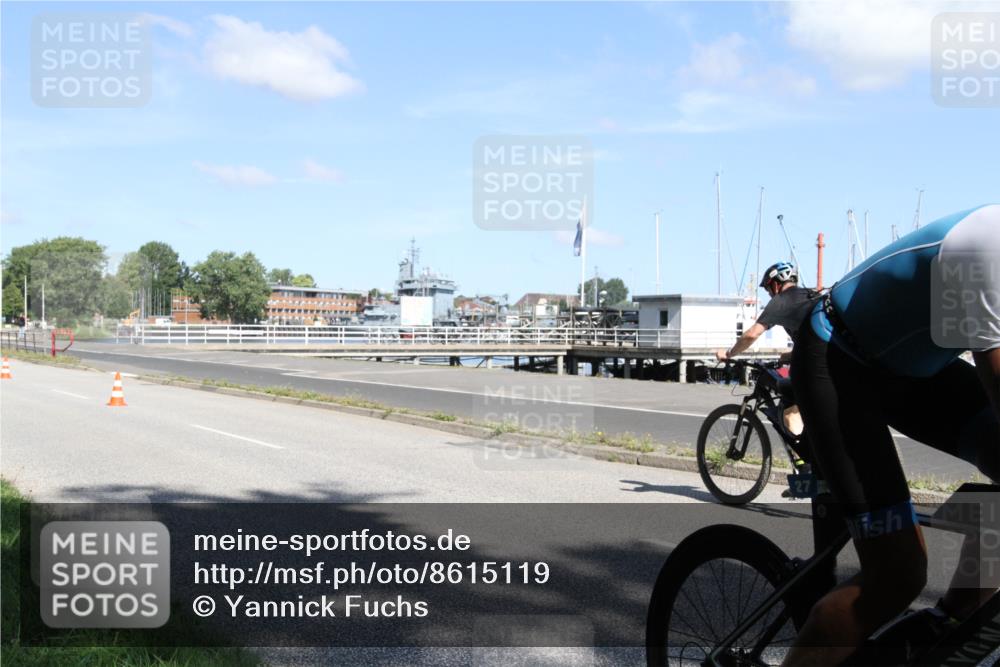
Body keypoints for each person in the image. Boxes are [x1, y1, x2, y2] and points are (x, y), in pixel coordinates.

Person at [782, 204, 1000, 666]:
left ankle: (948, 622)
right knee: (897, 573)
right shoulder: (990, 245)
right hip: (838, 360)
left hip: (914, 370)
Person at [715, 261, 821, 363]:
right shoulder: (812, 295)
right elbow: (812, 336)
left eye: (767, 289)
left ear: (775, 285)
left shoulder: (780, 301)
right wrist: (792, 354)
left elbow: (752, 334)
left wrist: (729, 353)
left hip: (817, 359)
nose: (769, 295)